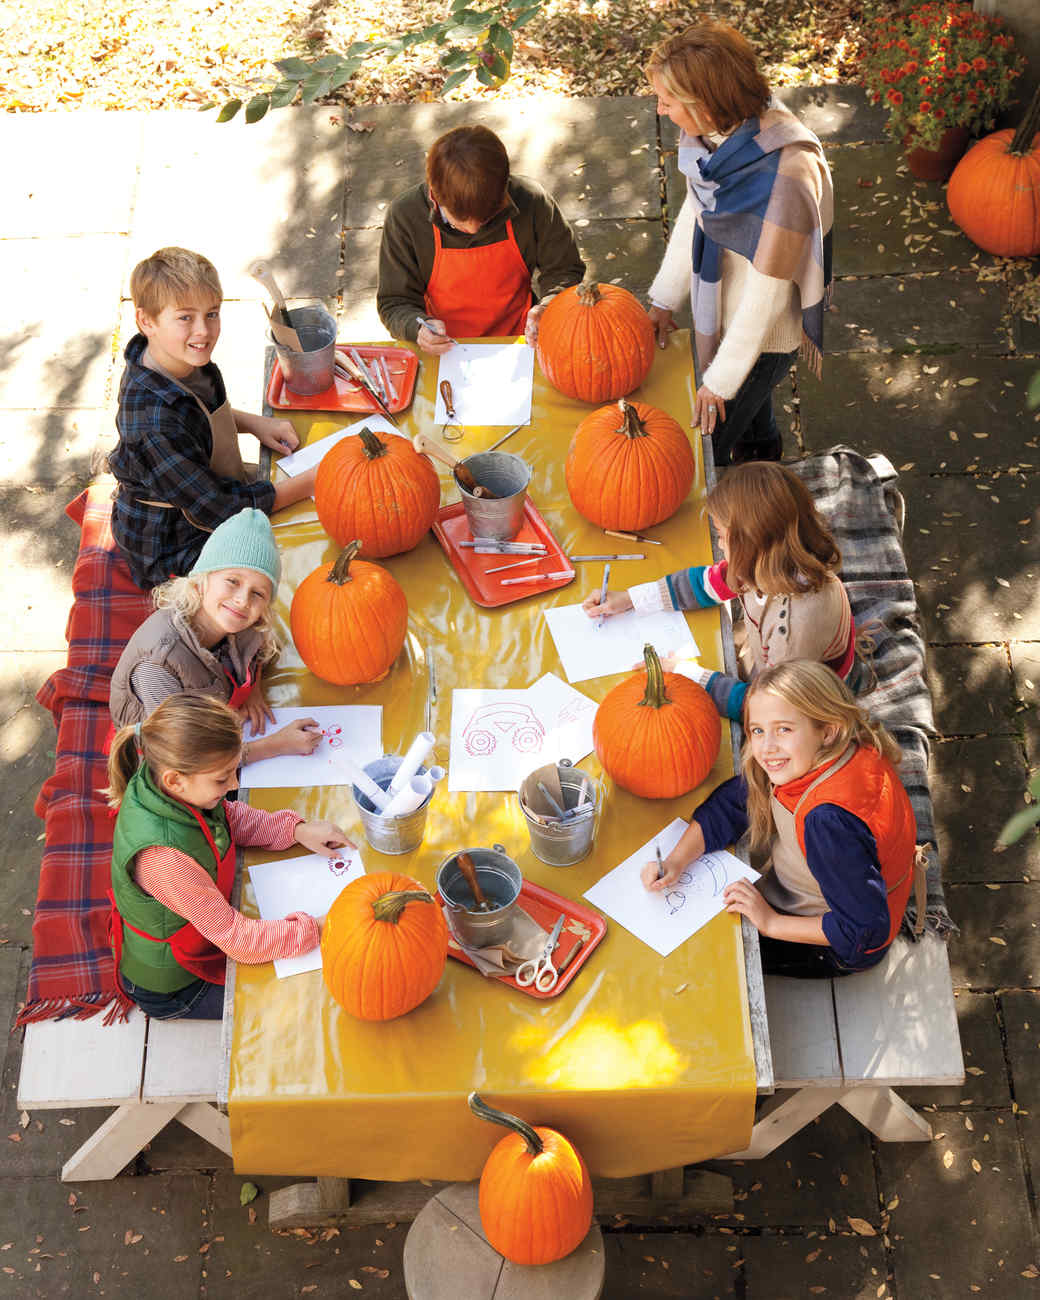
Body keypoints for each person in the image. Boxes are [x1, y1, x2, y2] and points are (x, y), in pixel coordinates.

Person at [643, 662, 924, 977]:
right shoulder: (837, 748)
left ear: (827, 730)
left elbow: (863, 933)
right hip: (847, 889)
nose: (766, 748)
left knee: (703, 956)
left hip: (833, 946)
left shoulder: (827, 821)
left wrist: (770, 922)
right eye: (758, 730)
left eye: (784, 729)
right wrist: (677, 860)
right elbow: (735, 803)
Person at [644, 23, 833, 466]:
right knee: (755, 414)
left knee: (708, 445)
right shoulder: (711, 139)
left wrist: (719, 382)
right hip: (726, 308)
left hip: (763, 333)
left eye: (668, 102)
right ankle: (765, 462)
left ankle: (741, 494)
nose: (660, 110)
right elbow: (698, 212)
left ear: (704, 104)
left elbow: (766, 296)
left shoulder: (786, 174)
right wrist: (664, 300)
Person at [106, 692, 351, 1020]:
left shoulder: (171, 788)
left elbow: (229, 817)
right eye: (223, 779)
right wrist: (323, 926)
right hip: (179, 986)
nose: (234, 783)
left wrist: (296, 831)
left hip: (207, 936)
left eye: (234, 771)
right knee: (309, 1000)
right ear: (175, 781)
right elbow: (240, 940)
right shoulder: (165, 861)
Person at [109, 247, 318, 589]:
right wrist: (311, 482)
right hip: (176, 545)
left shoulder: (178, 359)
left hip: (206, 491)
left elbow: (195, 414)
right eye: (185, 317)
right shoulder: (150, 424)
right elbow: (219, 508)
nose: (203, 331)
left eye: (212, 314)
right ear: (146, 321)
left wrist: (255, 423)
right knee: (290, 572)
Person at [583, 463, 857, 719]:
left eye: (722, 537)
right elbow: (706, 584)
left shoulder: (794, 630)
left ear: (751, 544)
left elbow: (768, 709)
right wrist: (631, 599)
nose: (720, 545)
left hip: (802, 701)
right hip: (774, 669)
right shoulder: (767, 561)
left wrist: (687, 675)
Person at [110, 508, 320, 764]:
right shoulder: (158, 666)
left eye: (258, 594)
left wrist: (252, 688)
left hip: (209, 715)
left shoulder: (241, 623)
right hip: (163, 756)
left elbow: (259, 652)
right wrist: (276, 745)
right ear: (200, 581)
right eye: (232, 581)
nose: (243, 600)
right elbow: (185, 758)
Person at [376, 125, 586, 354]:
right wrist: (416, 329)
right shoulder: (406, 216)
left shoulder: (533, 202)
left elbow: (565, 269)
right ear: (434, 194)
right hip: (444, 349)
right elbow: (394, 302)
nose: (473, 229)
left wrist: (550, 305)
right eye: (459, 219)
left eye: (487, 218)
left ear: (505, 187)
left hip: (520, 341)